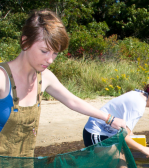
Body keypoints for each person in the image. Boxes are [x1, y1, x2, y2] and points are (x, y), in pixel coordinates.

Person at [0, 10, 126, 158]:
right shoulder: (2, 78)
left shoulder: (44, 77)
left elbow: (72, 101)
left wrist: (110, 119)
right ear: (24, 42)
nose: (50, 60)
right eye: (44, 51)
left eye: (55, 53)